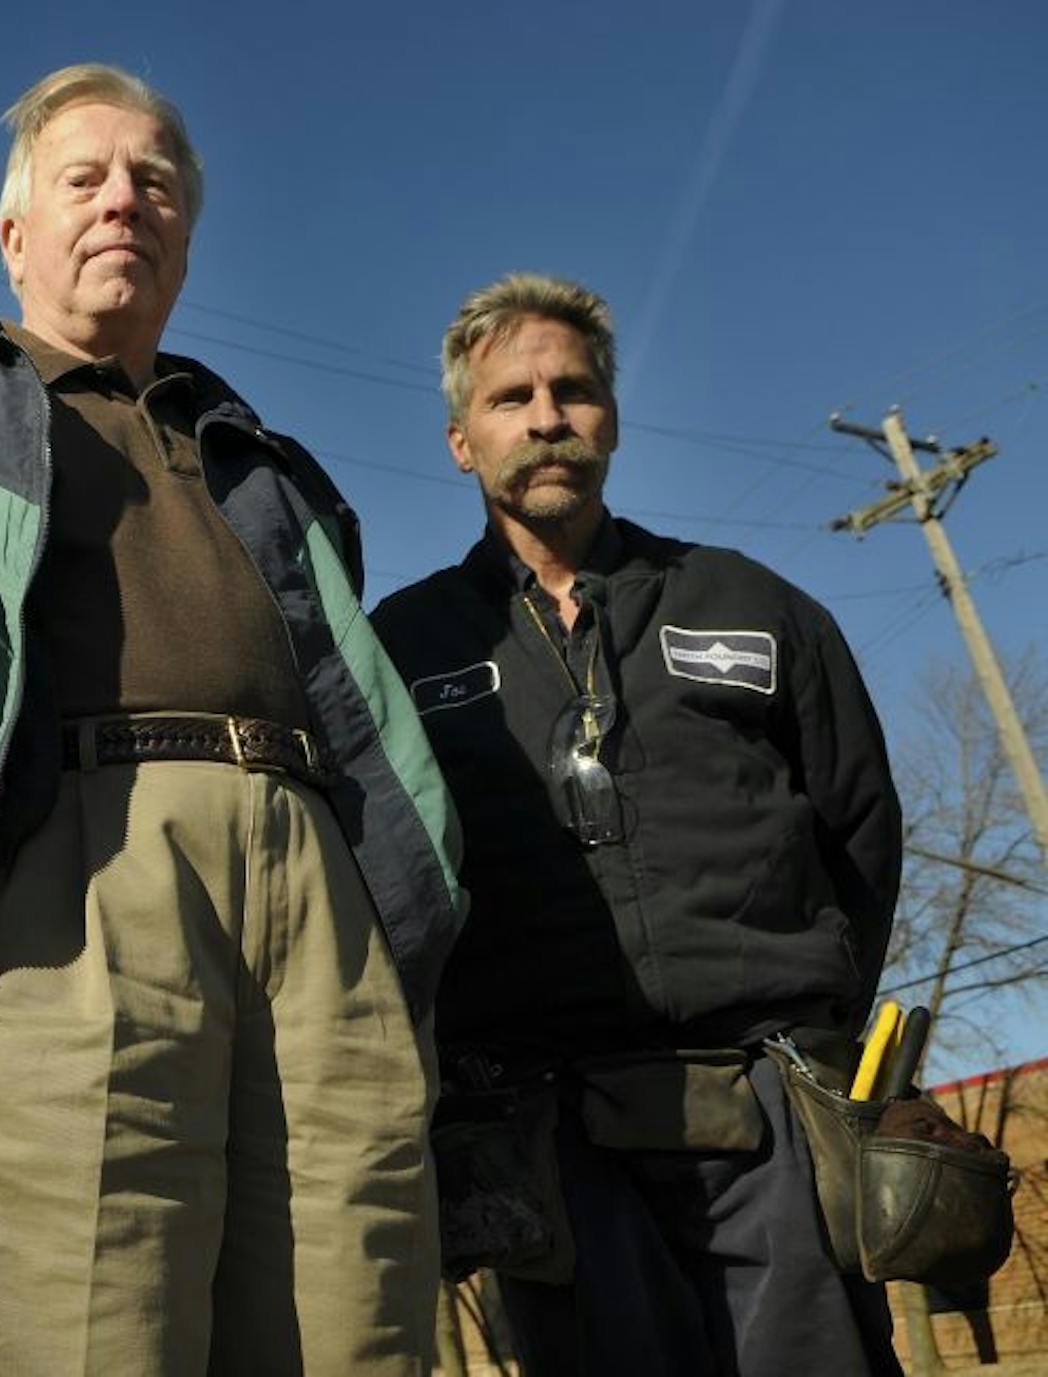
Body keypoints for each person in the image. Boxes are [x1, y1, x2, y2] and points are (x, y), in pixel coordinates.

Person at [0, 62, 463, 1376]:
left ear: (186, 233)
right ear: (16, 233)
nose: (126, 202)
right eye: (86, 178)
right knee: (75, 1333)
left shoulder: (268, 464)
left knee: (360, 1323)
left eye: (155, 182)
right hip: (57, 885)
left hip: (316, 900)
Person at [372, 272, 904, 1376]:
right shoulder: (407, 646)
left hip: (773, 1113)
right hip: (547, 1131)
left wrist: (808, 1029)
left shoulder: (752, 604)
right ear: (463, 441)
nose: (546, 416)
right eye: (510, 398)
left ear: (610, 418)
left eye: (573, 390)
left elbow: (861, 832)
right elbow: (382, 876)